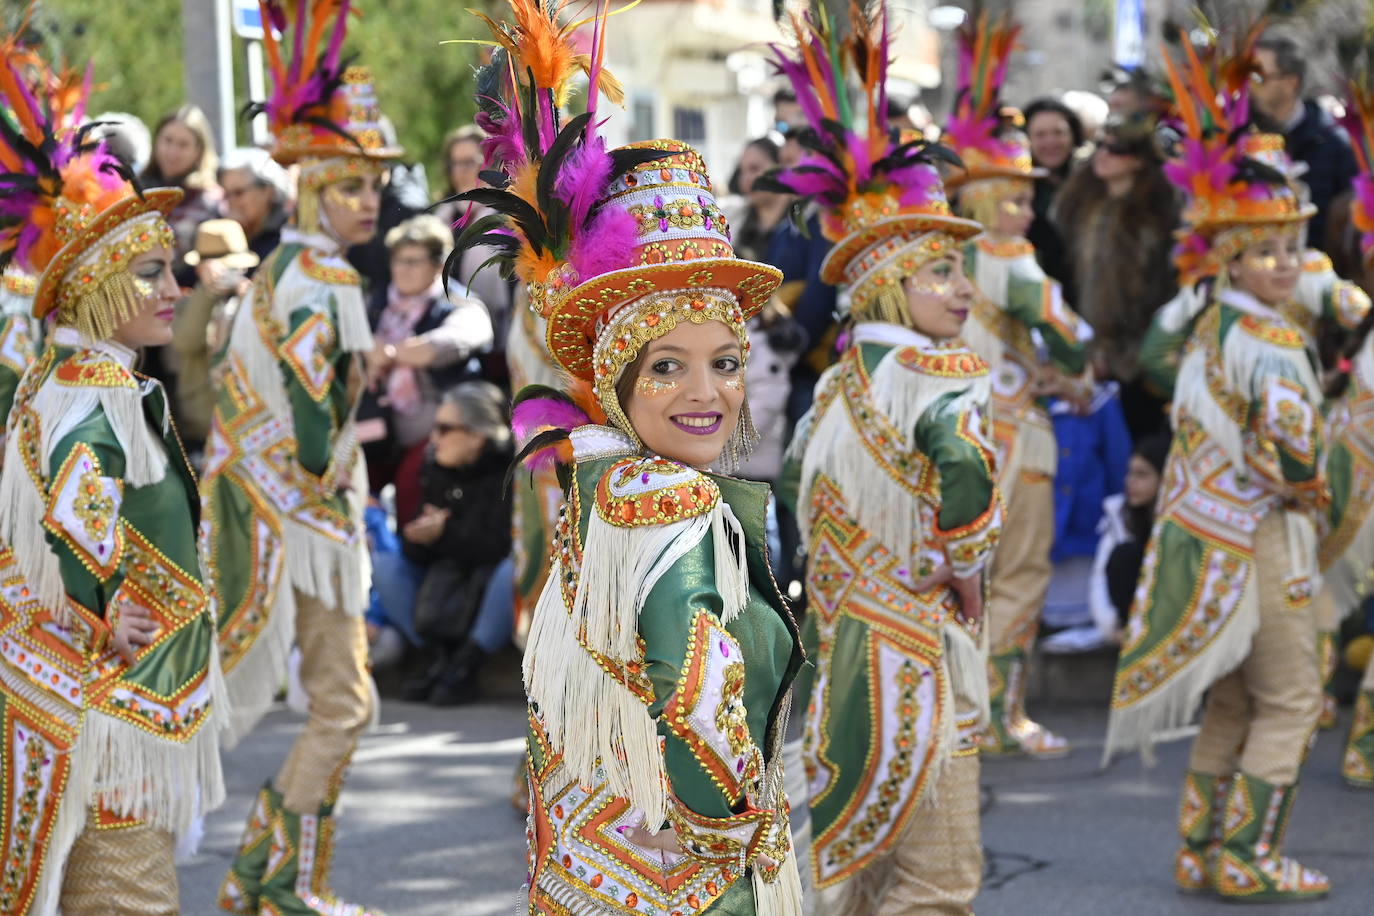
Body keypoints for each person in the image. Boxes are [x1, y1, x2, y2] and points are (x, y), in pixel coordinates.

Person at [454, 4, 806, 909]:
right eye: (668, 367)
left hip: (591, 852)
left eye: (725, 363)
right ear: (617, 378)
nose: (707, 393)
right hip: (672, 863)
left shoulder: (600, 475)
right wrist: (731, 823)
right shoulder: (674, 501)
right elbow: (694, 698)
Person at [769, 5, 1002, 911]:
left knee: (853, 874)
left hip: (841, 651)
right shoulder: (941, 370)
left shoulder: (833, 389)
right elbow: (970, 485)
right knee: (941, 880)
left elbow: (796, 494)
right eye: (939, 272)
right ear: (887, 285)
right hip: (916, 650)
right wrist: (970, 580)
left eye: (958, 269)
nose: (961, 290)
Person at [1105, 33, 1332, 902]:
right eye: (1266, 250)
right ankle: (1249, 854)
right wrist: (1318, 492)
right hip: (1263, 541)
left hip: (1204, 538)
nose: (1285, 264)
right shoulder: (1269, 340)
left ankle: (1198, 846)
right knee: (1294, 702)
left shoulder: (1208, 326)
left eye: (1292, 248)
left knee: (1236, 703)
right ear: (1230, 255)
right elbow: (1294, 457)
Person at [0, 66, 225, 913]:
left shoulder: (59, 376)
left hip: (91, 691)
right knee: (132, 897)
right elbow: (75, 504)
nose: (173, 291)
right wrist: (102, 607)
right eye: (151, 276)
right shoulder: (98, 397)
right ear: (93, 286)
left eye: (170, 273)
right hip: (116, 697)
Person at [201, 7, 399, 912]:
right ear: (312, 188)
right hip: (306, 520)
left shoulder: (288, 269)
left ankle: (279, 882)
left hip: (286, 509)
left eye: (374, 186)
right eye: (351, 185)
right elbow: (319, 431)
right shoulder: (319, 279)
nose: (369, 200)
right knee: (343, 705)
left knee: (339, 702)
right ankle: (264, 881)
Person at [944, 14, 1092, 758]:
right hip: (1013, 435)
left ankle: (965, 708)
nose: (1026, 211)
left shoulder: (940, 260)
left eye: (1028, 199)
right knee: (1020, 572)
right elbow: (1069, 333)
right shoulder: (1008, 256)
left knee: (964, 574)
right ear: (980, 199)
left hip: (955, 435)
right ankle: (1000, 714)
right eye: (1013, 197)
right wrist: (1073, 366)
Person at [370, 382, 512, 704]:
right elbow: (414, 553)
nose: (433, 438)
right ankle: (438, 660)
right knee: (387, 566)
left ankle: (466, 664)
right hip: (442, 584)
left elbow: (498, 547)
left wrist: (444, 534)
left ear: (477, 434)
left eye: (445, 428)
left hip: (486, 587)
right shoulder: (436, 465)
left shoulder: (508, 470)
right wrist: (420, 537)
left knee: (511, 571)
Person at [1054, 112, 1179, 440]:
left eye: (1116, 149)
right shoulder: (1078, 204)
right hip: (1084, 349)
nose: (1103, 155)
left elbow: (1160, 291)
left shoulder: (1159, 216)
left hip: (1136, 358)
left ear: (1139, 161)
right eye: (1101, 146)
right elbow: (1066, 277)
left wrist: (1126, 353)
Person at [362, 213, 492, 490]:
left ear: (439, 265)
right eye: (398, 260)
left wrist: (387, 352)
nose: (402, 269)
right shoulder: (377, 301)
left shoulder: (459, 301)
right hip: (376, 431)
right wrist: (367, 349)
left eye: (413, 261)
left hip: (436, 441)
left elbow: (446, 344)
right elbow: (353, 340)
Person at [1252, 34, 1358, 256]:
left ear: (1291, 83)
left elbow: (1350, 226)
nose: (1249, 87)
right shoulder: (1236, 139)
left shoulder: (1335, 144)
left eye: (1259, 77)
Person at [170, 219, 260, 457]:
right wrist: (206, 294)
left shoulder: (251, 299)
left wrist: (250, 298)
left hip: (245, 428)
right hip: (200, 430)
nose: (228, 274)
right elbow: (186, 342)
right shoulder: (184, 306)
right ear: (199, 269)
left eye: (234, 268)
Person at [432, 125, 514, 356]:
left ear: (491, 165)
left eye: (469, 162)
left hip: (498, 347)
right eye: (454, 163)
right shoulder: (441, 219)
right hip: (447, 341)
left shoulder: (509, 220)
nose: (460, 172)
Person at [140, 104, 225, 275]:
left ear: (199, 151)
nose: (172, 152)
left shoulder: (209, 201)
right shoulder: (137, 190)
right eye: (168, 140)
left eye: (183, 145)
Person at [1023, 97, 1085, 291]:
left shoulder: (1092, 183)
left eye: (1058, 132)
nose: (1051, 142)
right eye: (1040, 135)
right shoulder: (1016, 191)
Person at [218, 146, 292, 265]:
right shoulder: (225, 228)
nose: (231, 202)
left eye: (238, 193)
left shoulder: (287, 236)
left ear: (267, 191)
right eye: (226, 194)